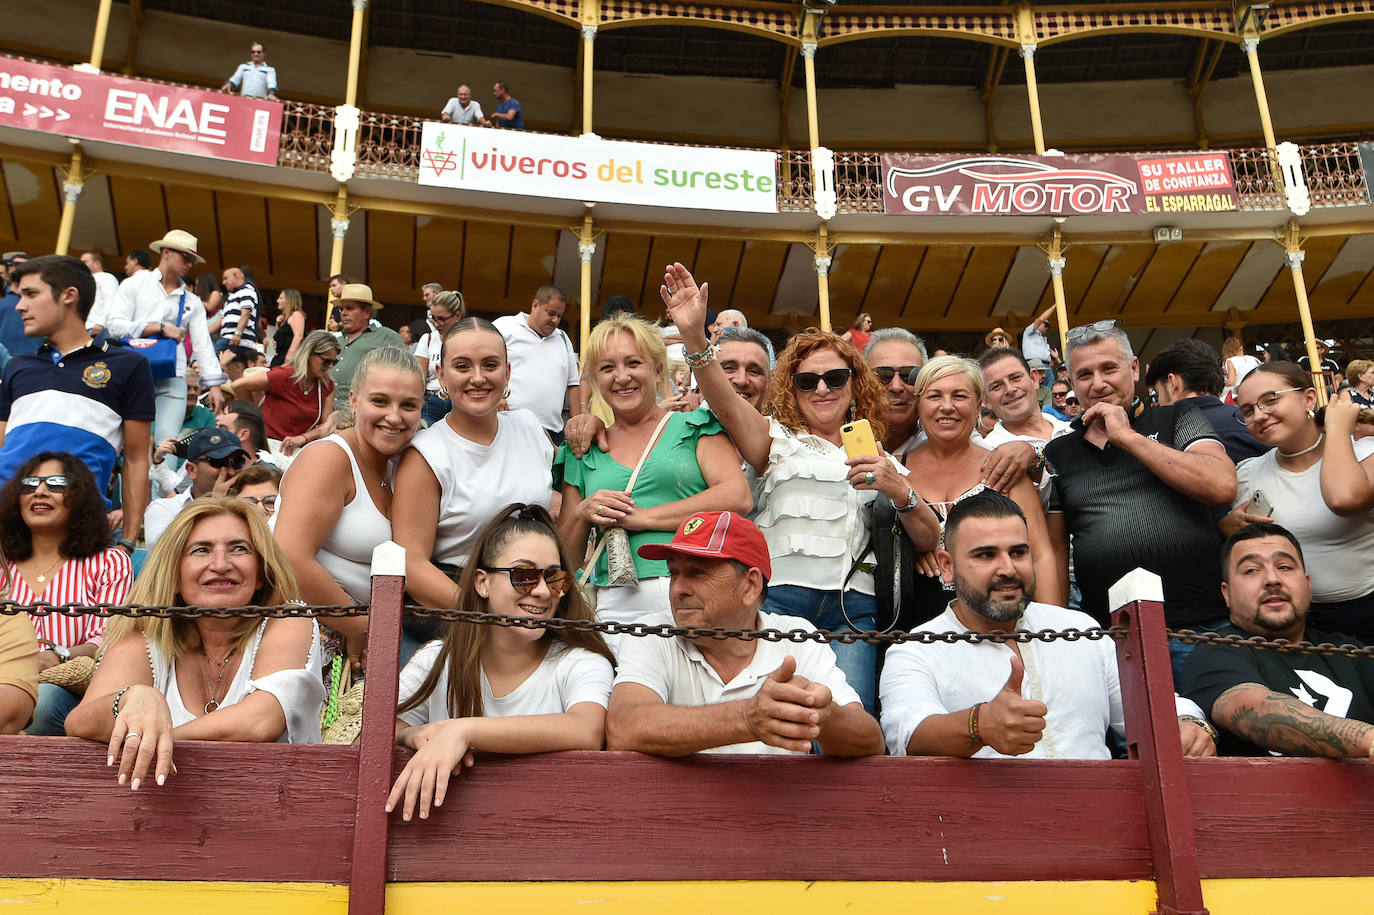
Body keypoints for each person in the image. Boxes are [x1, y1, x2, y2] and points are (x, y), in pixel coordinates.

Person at [661, 264, 939, 713]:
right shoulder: (773, 439)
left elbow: (929, 538)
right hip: (781, 600)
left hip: (855, 610)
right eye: (807, 380)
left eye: (836, 378)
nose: (822, 388)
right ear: (792, 388)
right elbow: (726, 402)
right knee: (778, 726)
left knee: (848, 723)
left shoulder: (881, 454)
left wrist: (899, 489)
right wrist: (695, 337)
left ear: (855, 383)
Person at [880, 490, 1215, 759]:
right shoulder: (916, 650)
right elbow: (908, 736)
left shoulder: (1080, 631)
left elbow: (1149, 706)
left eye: (1019, 552)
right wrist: (978, 725)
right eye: (985, 555)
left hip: (1102, 824)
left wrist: (1189, 724)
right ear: (947, 566)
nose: (1008, 568)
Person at [66, 498, 325, 788]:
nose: (221, 564)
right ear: (174, 574)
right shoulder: (144, 631)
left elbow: (261, 721)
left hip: (277, 807)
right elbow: (79, 722)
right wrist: (133, 698)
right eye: (201, 550)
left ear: (261, 573)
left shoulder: (288, 620)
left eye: (239, 548)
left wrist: (157, 734)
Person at [390, 504, 614, 820]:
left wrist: (463, 730)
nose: (541, 592)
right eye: (523, 575)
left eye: (554, 578)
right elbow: (373, 733)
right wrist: (409, 735)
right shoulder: (438, 659)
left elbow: (586, 730)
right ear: (482, 582)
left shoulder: (580, 662)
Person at [606, 510, 882, 756]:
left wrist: (823, 714)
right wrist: (748, 718)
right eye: (674, 573)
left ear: (750, 586)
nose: (678, 588)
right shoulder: (651, 633)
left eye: (698, 573)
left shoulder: (796, 637)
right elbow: (624, 727)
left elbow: (870, 741)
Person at [1046, 321, 1237, 674]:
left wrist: (1128, 437)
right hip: (1115, 638)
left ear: (1133, 368)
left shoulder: (1178, 415)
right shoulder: (1059, 452)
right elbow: (1056, 549)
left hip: (1204, 627)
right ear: (1071, 384)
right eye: (1084, 375)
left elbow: (1221, 485)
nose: (1098, 383)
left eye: (1109, 368)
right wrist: (1058, 635)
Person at [554, 314, 750, 629]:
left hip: (701, 594)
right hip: (617, 605)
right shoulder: (581, 448)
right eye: (607, 368)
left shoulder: (694, 426)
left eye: (633, 363)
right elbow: (566, 558)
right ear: (594, 379)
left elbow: (737, 497)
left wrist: (643, 517)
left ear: (658, 370)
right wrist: (582, 512)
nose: (621, 377)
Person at [393, 318, 554, 653]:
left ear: (507, 373)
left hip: (536, 601)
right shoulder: (427, 454)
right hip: (459, 610)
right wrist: (491, 615)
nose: (478, 377)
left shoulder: (529, 427)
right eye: (463, 366)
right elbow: (413, 565)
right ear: (442, 375)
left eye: (490, 365)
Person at [276, 346, 424, 667]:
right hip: (307, 641)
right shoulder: (328, 458)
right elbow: (288, 557)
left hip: (365, 640)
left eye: (408, 405)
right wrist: (359, 626)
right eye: (380, 401)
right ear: (354, 401)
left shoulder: (403, 464)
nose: (394, 417)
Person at [0, 255, 154, 555]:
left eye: (31, 294)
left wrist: (128, 540)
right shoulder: (18, 366)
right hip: (5, 523)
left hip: (77, 531)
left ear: (69, 295)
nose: (20, 306)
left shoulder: (128, 365)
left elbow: (136, 459)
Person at [1181, 522, 1374, 758]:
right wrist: (1368, 740)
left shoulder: (1350, 651)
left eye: (1284, 567)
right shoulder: (1215, 652)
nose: (1272, 579)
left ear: (1308, 584)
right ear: (1227, 593)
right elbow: (1255, 714)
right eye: (1252, 570)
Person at [900, 356, 1065, 633]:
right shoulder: (895, 469)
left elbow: (1040, 556)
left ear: (978, 405)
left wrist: (1052, 635)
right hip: (912, 633)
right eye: (934, 396)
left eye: (960, 395)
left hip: (1002, 628)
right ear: (918, 405)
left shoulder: (1005, 469)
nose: (947, 406)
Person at [1221, 362, 1374, 642]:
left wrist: (1338, 429)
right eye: (1248, 410)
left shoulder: (1366, 454)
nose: (1259, 415)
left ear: (1309, 398)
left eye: (1270, 400)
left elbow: (1343, 498)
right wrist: (1227, 527)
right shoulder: (1247, 473)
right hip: (1292, 623)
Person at [0, 454, 132, 735]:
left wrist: (60, 655)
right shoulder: (2, 564)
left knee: (43, 699)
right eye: (30, 483)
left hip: (66, 688)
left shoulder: (109, 562)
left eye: (57, 483)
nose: (40, 491)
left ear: (81, 497)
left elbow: (109, 637)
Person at [106, 230, 227, 445]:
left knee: (168, 442)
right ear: (166, 252)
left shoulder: (192, 301)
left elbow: (203, 346)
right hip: (133, 370)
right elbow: (115, 326)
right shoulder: (136, 284)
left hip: (174, 373)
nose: (189, 264)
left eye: (192, 260)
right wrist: (158, 328)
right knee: (122, 441)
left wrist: (215, 387)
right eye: (185, 257)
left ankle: (162, 476)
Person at [1145, 338, 1266, 465]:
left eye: (1157, 393)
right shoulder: (1252, 421)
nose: (1159, 402)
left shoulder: (1164, 436)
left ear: (1172, 382)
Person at [494, 285, 583, 444]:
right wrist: (497, 396)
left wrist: (577, 426)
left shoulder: (563, 338)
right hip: (508, 425)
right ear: (535, 305)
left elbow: (573, 384)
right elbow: (486, 366)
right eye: (551, 313)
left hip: (552, 431)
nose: (555, 320)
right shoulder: (504, 327)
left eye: (559, 315)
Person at [225, 330, 339, 449]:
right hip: (268, 446)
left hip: (297, 450)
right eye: (326, 361)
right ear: (309, 354)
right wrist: (255, 418)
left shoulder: (326, 384)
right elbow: (238, 385)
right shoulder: (285, 375)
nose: (330, 366)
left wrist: (303, 438)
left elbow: (326, 424)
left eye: (334, 362)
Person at [144, 428, 250, 549]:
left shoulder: (252, 506)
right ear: (191, 470)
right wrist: (215, 506)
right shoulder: (165, 508)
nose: (230, 471)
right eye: (219, 462)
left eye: (237, 462)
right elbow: (163, 551)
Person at [329, 284, 404, 413]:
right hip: (327, 414)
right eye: (342, 309)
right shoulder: (335, 340)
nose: (343, 313)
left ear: (367, 312)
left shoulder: (386, 337)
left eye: (350, 308)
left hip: (362, 414)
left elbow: (405, 372)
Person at [864, 328, 928, 456]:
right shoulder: (842, 442)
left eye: (909, 374)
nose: (896, 387)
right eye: (883, 376)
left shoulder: (944, 441)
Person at [413, 290, 464, 427]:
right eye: (433, 318)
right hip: (432, 400)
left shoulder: (467, 340)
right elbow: (419, 377)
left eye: (441, 319)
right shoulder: (428, 339)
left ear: (457, 316)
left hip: (459, 401)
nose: (436, 324)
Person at [80, 251, 120, 336]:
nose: (82, 265)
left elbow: (111, 301)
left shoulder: (107, 277)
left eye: (85, 262)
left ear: (97, 264)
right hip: (85, 329)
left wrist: (100, 323)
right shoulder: (85, 281)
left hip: (100, 328)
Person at [270, 289, 306, 368]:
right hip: (279, 357)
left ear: (289, 300)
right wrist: (277, 324)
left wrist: (290, 356)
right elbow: (277, 340)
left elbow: (298, 335)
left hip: (289, 359)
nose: (277, 300)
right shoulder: (283, 319)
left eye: (281, 298)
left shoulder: (296, 315)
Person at [1021, 304, 1056, 384]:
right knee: (1034, 390)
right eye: (1045, 325)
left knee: (1049, 391)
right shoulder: (1029, 332)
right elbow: (1042, 318)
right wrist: (1054, 306)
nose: (1046, 328)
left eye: (1048, 326)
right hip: (1034, 365)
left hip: (1047, 367)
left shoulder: (1044, 339)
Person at [1220, 336, 1261, 404]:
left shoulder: (1230, 361)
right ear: (1240, 347)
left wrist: (1221, 385)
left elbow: (1231, 382)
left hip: (1241, 391)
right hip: (1257, 388)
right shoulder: (1254, 359)